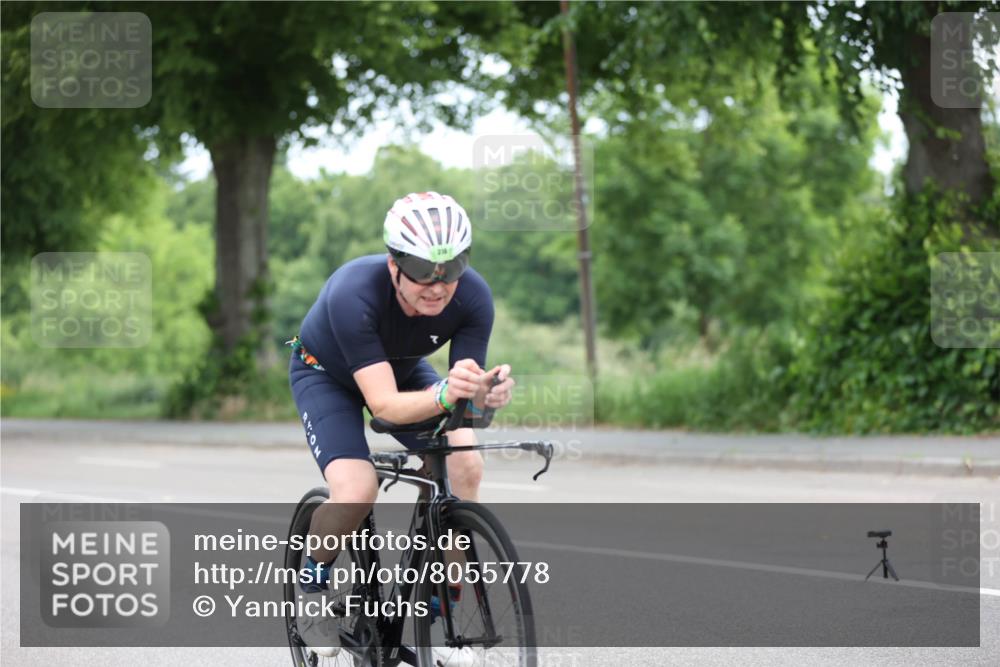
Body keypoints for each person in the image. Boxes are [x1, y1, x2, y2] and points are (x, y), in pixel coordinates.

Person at [287, 191, 515, 658]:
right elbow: (385, 408)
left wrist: (484, 396)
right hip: (327, 375)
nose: (437, 285)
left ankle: (444, 614)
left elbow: (460, 399)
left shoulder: (474, 297)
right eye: (421, 271)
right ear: (394, 264)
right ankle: (313, 584)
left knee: (463, 466)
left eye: (451, 269)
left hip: (402, 369)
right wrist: (447, 393)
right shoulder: (353, 292)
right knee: (356, 487)